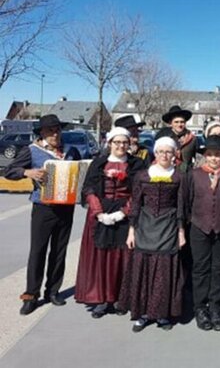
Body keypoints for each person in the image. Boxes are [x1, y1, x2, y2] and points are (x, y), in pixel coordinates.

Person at [4, 114, 81, 315]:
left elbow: (80, 174)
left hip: (66, 207)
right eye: (50, 130)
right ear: (42, 133)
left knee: (59, 250)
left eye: (57, 130)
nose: (55, 134)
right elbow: (9, 171)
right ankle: (31, 295)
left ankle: (52, 291)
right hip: (43, 208)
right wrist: (28, 173)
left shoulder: (71, 151)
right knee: (38, 251)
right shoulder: (31, 150)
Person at [75, 127, 145, 318]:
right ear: (110, 143)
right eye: (117, 142)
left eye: (124, 142)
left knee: (123, 258)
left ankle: (122, 298)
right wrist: (98, 213)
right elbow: (89, 189)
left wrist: (124, 213)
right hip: (101, 213)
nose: (121, 146)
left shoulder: (137, 164)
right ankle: (102, 299)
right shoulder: (98, 163)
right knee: (102, 257)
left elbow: (140, 191)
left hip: (125, 215)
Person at [118, 137, 186, 332]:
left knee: (164, 271)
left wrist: (181, 232)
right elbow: (136, 204)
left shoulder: (179, 177)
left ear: (174, 155)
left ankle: (162, 314)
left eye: (168, 152)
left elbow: (181, 206)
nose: (165, 155)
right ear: (155, 153)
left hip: (168, 226)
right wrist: (131, 231)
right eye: (161, 151)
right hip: (145, 226)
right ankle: (143, 313)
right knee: (144, 269)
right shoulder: (142, 176)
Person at [186, 135, 220, 331]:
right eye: (210, 155)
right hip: (199, 227)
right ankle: (200, 307)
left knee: (219, 268)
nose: (214, 159)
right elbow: (187, 202)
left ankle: (216, 307)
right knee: (200, 268)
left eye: (218, 155)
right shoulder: (194, 175)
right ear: (204, 156)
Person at [156, 105, 196, 171]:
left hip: (186, 175)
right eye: (176, 122)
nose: (179, 125)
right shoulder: (164, 138)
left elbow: (198, 159)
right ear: (170, 123)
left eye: (182, 122)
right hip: (167, 173)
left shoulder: (192, 139)